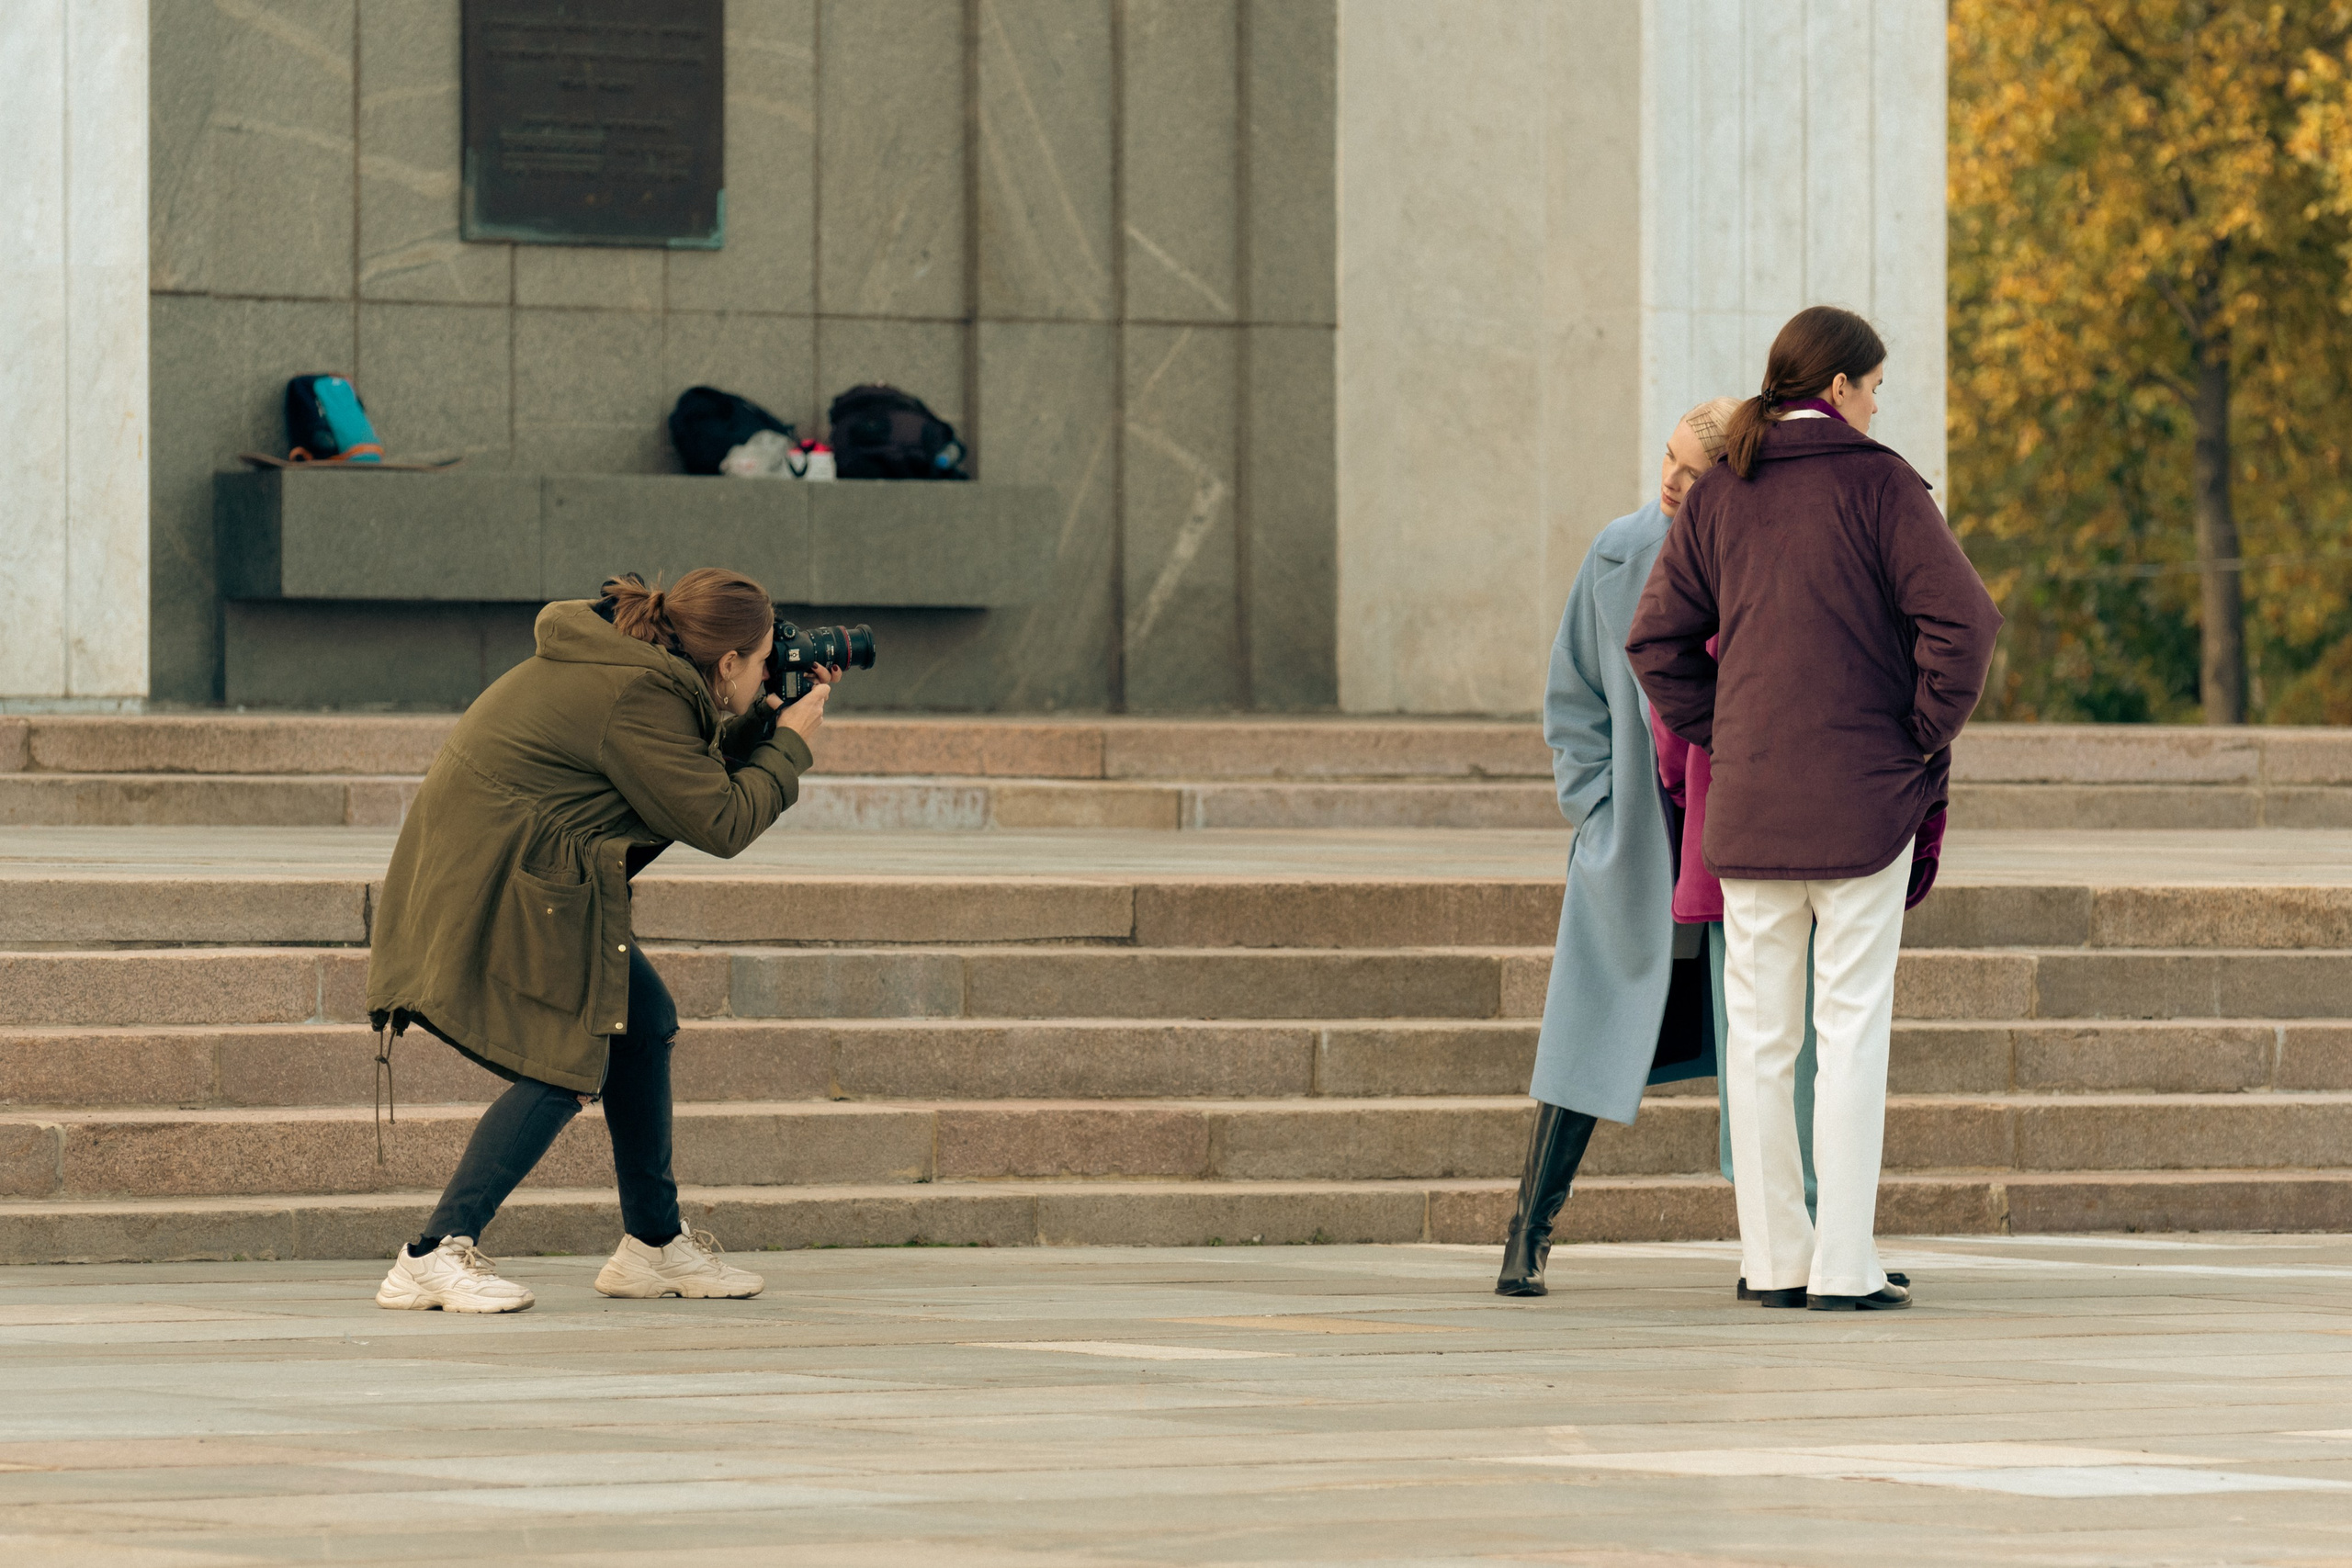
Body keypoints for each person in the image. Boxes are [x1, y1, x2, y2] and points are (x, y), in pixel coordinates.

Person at [1626, 305, 2001, 1312]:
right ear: (1837, 388)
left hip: (1750, 814)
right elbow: (1964, 622)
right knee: (1849, 1034)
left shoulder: (1720, 497)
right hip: (1860, 807)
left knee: (1758, 1043)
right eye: (1874, 387)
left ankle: (1772, 1259)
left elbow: (1655, 644)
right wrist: (1917, 735)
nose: (1878, 406)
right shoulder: (1880, 485)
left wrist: (1730, 736)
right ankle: (1842, 1265)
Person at [367, 570, 838, 1313]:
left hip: (523, 871)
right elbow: (718, 820)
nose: (766, 668)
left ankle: (651, 1245)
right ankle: (433, 1253)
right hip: (501, 883)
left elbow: (677, 773)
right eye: (761, 658)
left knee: (642, 1023)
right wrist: (788, 746)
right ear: (726, 663)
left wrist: (760, 725)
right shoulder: (639, 696)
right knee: (566, 1054)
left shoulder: (640, 676)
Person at [1497, 396, 1745, 1298]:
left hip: (1729, 843)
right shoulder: (1615, 550)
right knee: (1586, 1039)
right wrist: (1597, 810)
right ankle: (1527, 1234)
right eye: (1669, 459)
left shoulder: (1753, 559)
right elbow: (1572, 702)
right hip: (1637, 843)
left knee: (1766, 1045)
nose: (1674, 480)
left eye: (1695, 470)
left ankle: (1792, 1240)